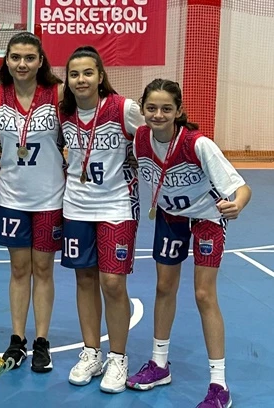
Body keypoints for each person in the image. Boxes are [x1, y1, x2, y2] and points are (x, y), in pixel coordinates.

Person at [126, 79, 250, 408]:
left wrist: (237, 205)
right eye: (152, 108)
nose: (158, 114)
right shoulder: (140, 139)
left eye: (166, 108)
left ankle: (219, 386)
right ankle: (159, 365)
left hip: (207, 218)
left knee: (204, 294)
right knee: (164, 288)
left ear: (179, 111)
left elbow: (242, 188)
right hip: (170, 218)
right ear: (143, 109)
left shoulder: (198, 144)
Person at [58, 46, 145, 393]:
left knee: (112, 283)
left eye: (87, 73)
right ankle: (91, 352)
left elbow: (153, 137)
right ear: (68, 79)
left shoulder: (123, 109)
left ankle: (118, 358)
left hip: (116, 205)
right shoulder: (64, 113)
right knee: (84, 279)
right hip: (76, 205)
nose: (81, 79)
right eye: (74, 74)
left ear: (100, 76)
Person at [0, 32, 64, 373]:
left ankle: (42, 341)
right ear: (6, 60)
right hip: (12, 196)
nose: (22, 63)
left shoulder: (57, 94)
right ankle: (17, 339)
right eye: (16, 57)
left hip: (49, 196)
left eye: (29, 57)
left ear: (40, 61)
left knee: (43, 269)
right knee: (19, 269)